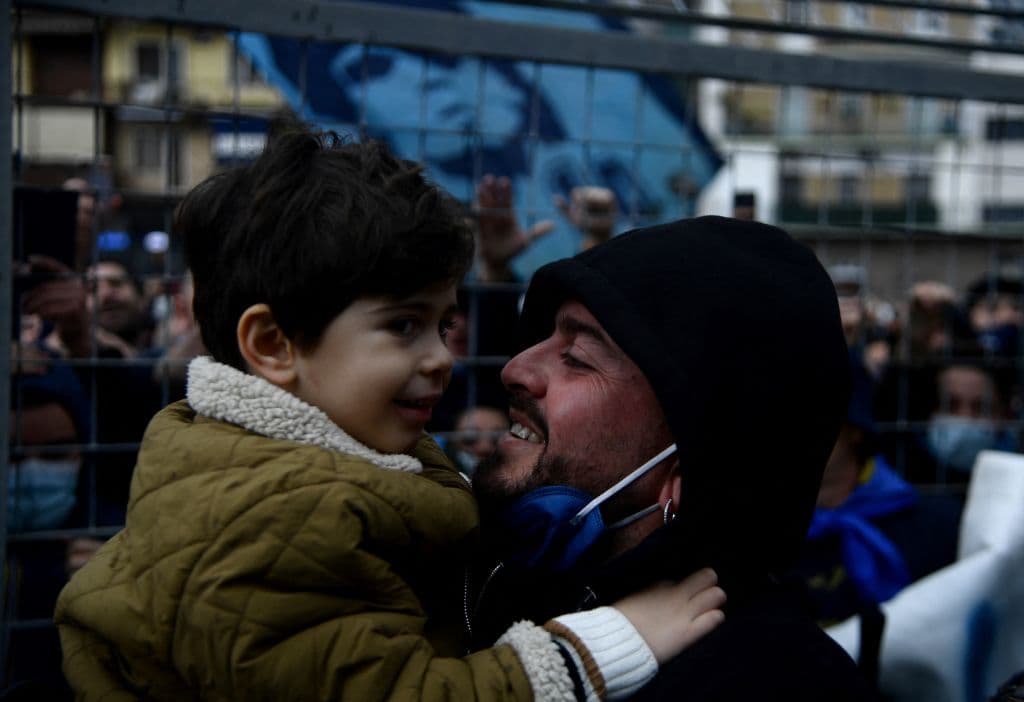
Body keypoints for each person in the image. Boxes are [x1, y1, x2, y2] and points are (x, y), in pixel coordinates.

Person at [54, 128, 725, 701]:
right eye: (403, 325)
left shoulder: (326, 453)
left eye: (444, 323)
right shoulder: (279, 515)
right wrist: (600, 650)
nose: (441, 359)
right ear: (272, 345)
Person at [470, 216, 879, 700]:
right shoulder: (465, 574)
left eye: (577, 357)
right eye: (544, 337)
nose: (515, 369)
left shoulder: (775, 682)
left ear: (685, 479)